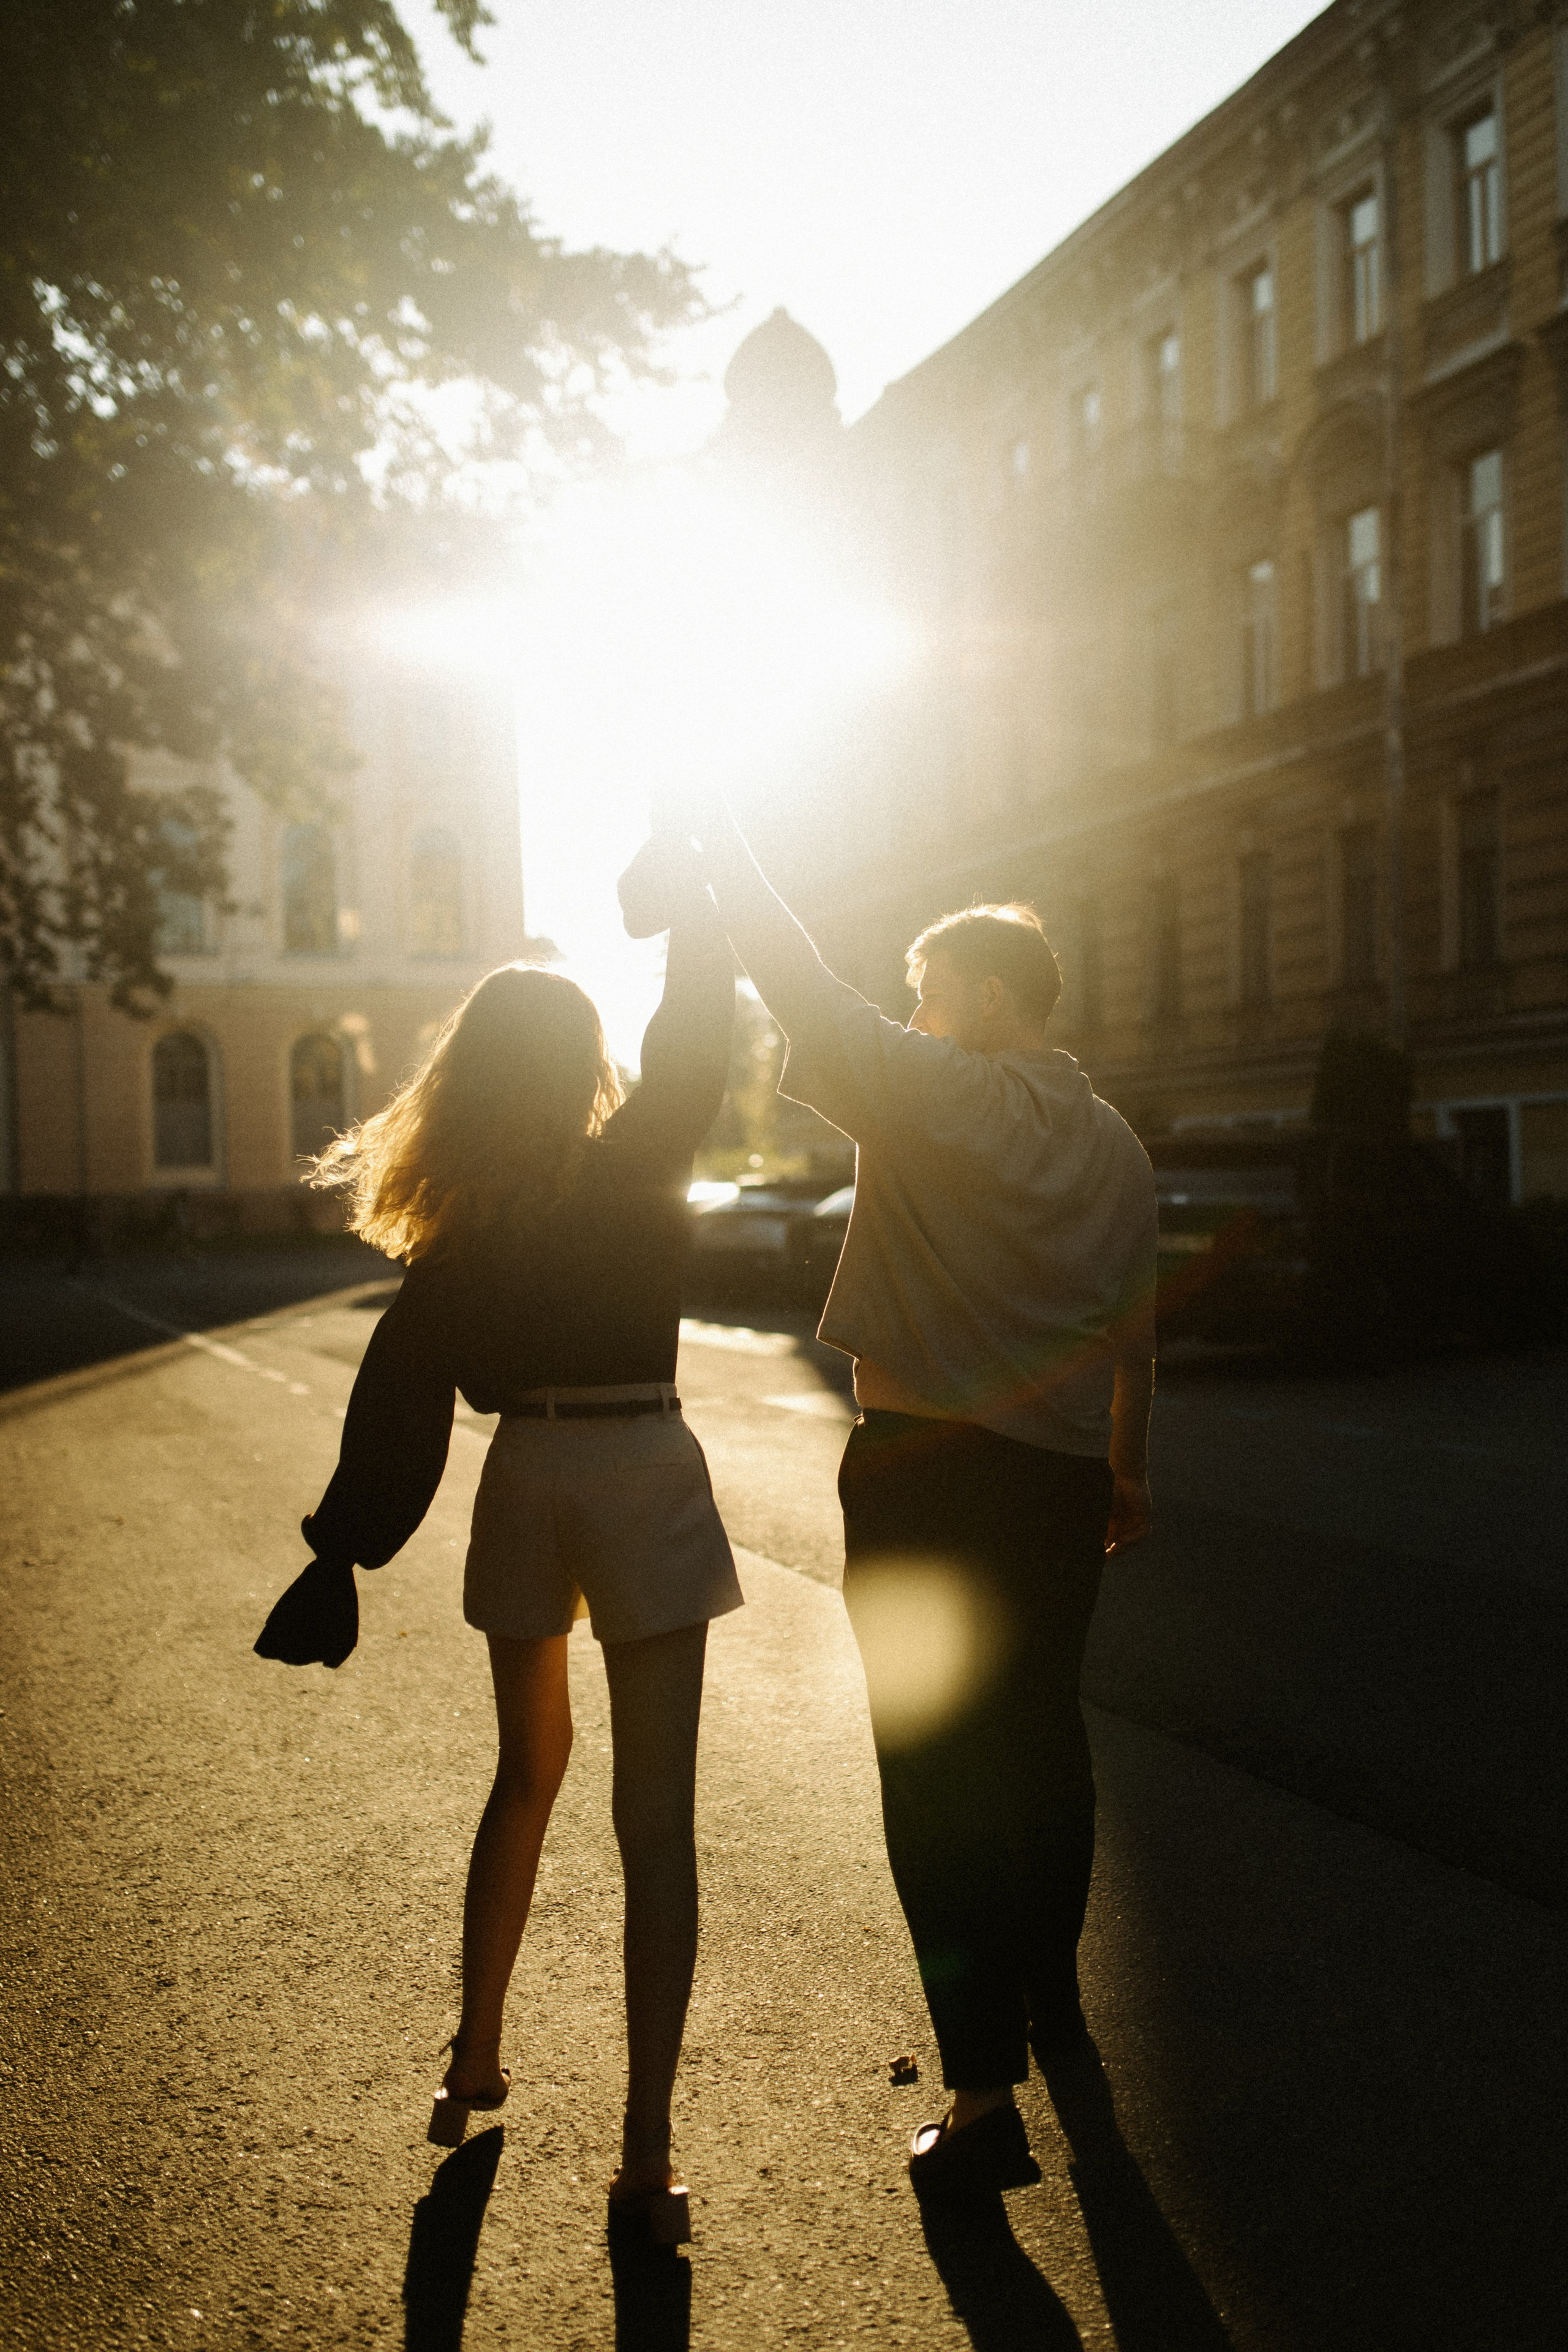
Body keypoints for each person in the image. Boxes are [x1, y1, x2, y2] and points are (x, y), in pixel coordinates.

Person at [254, 847, 739, 2247]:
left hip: (527, 1472)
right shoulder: (641, 1155)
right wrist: (692, 911)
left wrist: (342, 1550)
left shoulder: (465, 1223)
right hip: (643, 1463)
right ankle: (644, 2165)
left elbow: (401, 1392)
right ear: (584, 1058)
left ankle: (475, 2054)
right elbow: (695, 1037)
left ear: (471, 1076)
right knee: (657, 1829)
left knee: (525, 1773)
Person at [684, 805, 1157, 2199]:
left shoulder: (937, 1094)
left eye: (929, 991)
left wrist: (727, 856)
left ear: (990, 997)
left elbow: (804, 991)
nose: (912, 1012)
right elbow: (1138, 1330)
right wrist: (1131, 1466)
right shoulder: (1116, 1144)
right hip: (1064, 1476)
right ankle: (1053, 2005)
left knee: (934, 1764)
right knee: (1041, 1737)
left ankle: (978, 2096)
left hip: (928, 1471)